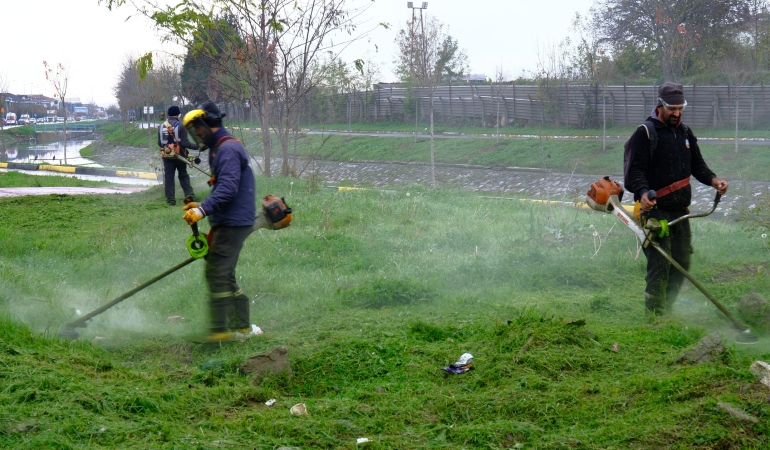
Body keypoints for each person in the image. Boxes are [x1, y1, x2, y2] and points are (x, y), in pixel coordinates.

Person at [626, 82, 729, 315]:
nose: (676, 113)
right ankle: (654, 315)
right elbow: (637, 170)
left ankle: (667, 309)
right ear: (660, 105)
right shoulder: (645, 133)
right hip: (656, 212)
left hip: (681, 212)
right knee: (660, 263)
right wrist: (643, 194)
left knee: (682, 262)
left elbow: (697, 165)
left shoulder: (685, 132)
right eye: (672, 109)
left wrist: (713, 180)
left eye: (680, 108)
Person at [181, 100, 260, 342]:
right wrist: (201, 205)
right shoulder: (219, 148)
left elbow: (227, 189)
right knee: (225, 274)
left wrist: (203, 211)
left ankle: (219, 333)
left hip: (234, 221)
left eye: (197, 128)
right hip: (231, 219)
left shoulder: (227, 149)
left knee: (216, 273)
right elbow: (221, 188)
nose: (196, 134)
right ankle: (243, 328)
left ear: (208, 123)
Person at [158, 105, 198, 206]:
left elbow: (159, 143)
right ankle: (189, 197)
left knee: (169, 178)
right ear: (178, 114)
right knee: (183, 175)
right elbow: (185, 143)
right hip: (179, 155)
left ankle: (170, 201)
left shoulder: (161, 126)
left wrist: (167, 147)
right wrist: (196, 146)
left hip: (167, 156)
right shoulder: (181, 126)